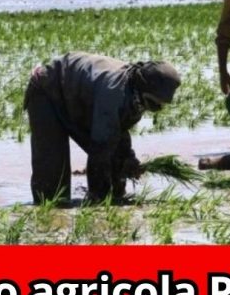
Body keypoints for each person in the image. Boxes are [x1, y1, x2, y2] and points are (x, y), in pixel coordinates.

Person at [24, 52, 181, 204]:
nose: (158, 108)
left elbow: (118, 132)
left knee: (116, 159)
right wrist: (98, 197)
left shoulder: (134, 94)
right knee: (51, 179)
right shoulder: (113, 92)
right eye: (155, 103)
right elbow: (100, 148)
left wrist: (128, 159)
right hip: (47, 89)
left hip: (75, 95)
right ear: (145, 90)